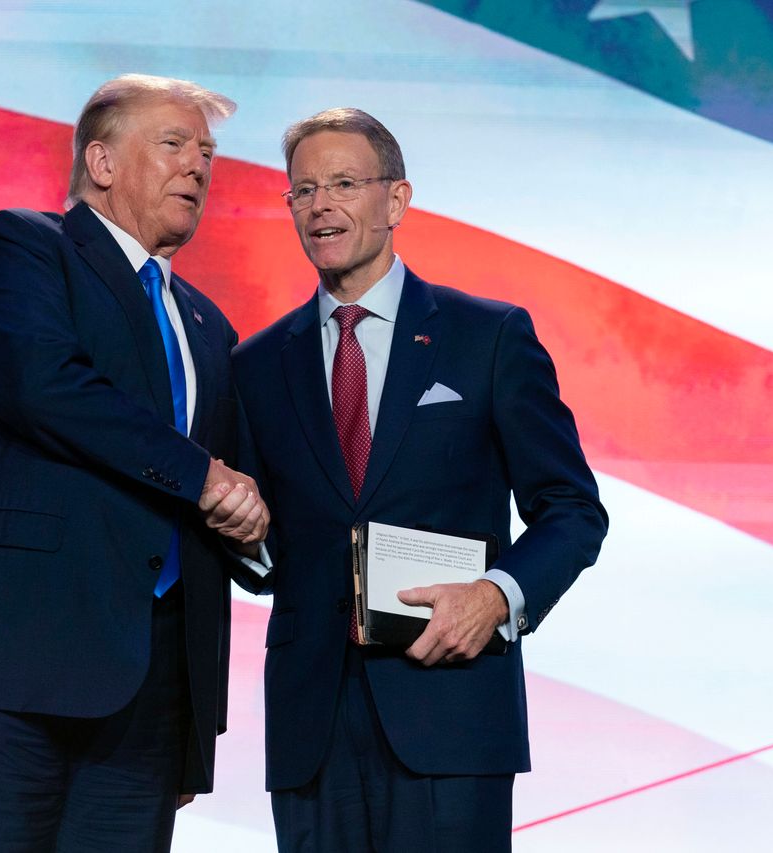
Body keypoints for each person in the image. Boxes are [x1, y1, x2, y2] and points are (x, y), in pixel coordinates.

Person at [0, 74, 270, 853]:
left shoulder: (209, 326)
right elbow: (43, 384)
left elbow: (242, 489)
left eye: (209, 154)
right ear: (102, 161)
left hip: (146, 707)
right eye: (174, 143)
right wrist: (204, 477)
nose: (198, 165)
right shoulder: (23, 246)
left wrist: (257, 520)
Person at [232, 108, 608, 852]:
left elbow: (572, 509)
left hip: (452, 709)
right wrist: (244, 539)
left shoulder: (489, 336)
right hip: (314, 726)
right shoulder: (256, 363)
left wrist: (497, 596)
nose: (321, 206)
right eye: (303, 190)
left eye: (343, 183)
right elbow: (264, 545)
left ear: (397, 200)